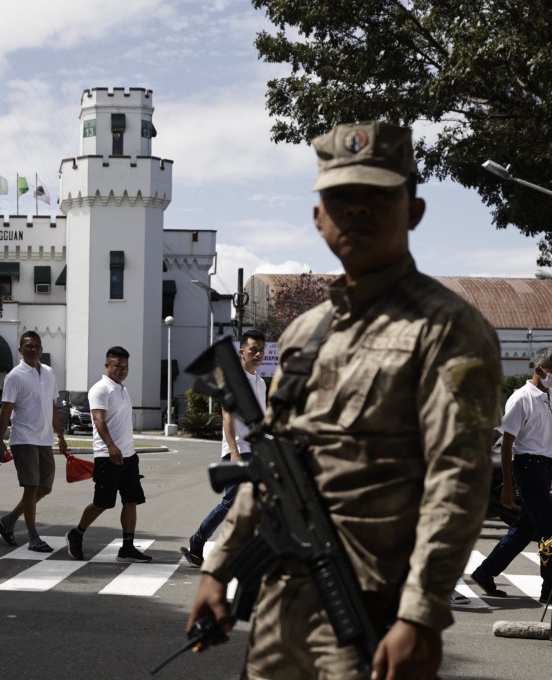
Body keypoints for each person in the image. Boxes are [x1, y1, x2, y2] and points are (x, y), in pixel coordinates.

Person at [186, 121, 502, 680]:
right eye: (341, 197)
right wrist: (218, 568)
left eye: (377, 195)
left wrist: (422, 616)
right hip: (278, 614)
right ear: (318, 217)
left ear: (414, 210)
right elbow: (270, 465)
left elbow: (458, 479)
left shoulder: (448, 328)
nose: (358, 209)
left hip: (371, 616)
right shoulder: (307, 333)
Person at [470, 351, 552, 604]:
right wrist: (508, 484)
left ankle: (485, 572)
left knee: (525, 528)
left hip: (546, 465)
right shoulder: (521, 398)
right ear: (539, 370)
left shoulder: (549, 398)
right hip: (527, 466)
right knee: (549, 528)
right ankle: (548, 587)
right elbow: (507, 445)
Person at [180, 329, 267, 567]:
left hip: (256, 450)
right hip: (239, 449)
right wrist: (235, 453)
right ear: (241, 352)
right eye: (253, 349)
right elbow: (227, 418)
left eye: (262, 349)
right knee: (232, 502)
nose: (258, 354)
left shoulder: (260, 382)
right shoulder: (233, 380)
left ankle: (245, 550)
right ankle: (197, 542)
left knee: (256, 502)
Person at [65, 346, 152, 563]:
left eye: (125, 366)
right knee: (102, 502)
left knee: (131, 500)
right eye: (118, 366)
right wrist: (112, 447)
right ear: (107, 366)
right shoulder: (100, 389)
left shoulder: (122, 389)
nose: (122, 370)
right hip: (107, 455)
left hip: (129, 456)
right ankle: (76, 533)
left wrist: (126, 450)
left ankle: (128, 547)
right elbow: (99, 420)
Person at [0, 331, 68, 551]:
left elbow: (52, 406)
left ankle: (9, 521)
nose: (33, 349)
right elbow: (5, 411)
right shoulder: (14, 376)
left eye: (37, 346)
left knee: (45, 486)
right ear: (20, 350)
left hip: (44, 439)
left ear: (42, 349)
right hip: (23, 438)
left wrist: (60, 435)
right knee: (31, 486)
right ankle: (33, 537)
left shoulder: (49, 372)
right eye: (29, 346)